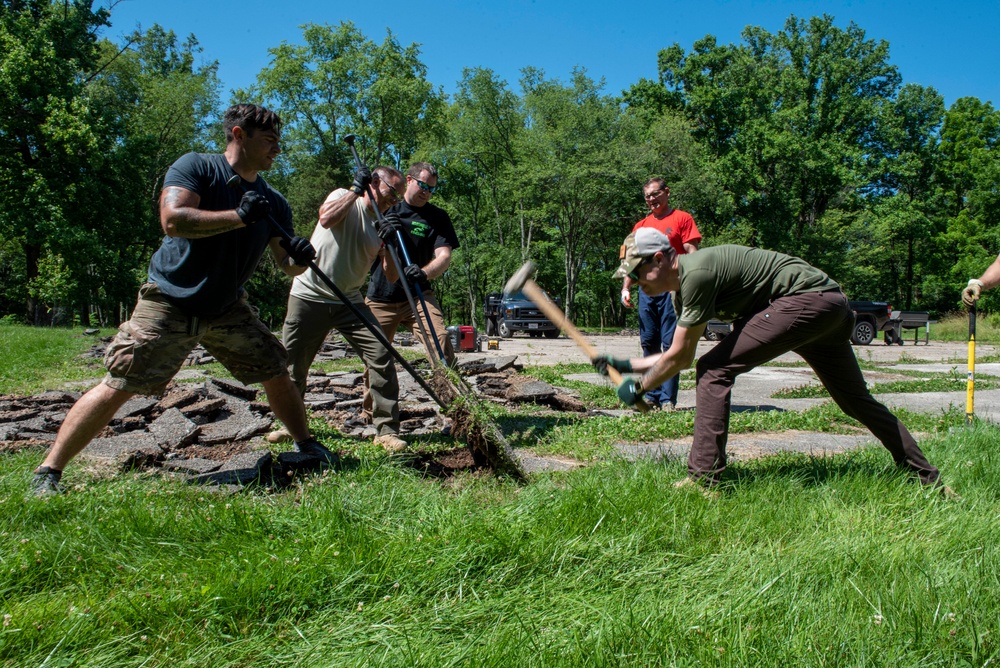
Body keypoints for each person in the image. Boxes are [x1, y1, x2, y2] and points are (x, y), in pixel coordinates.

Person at [31, 104, 332, 497]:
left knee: (275, 367)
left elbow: (286, 265)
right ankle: (49, 471)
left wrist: (302, 256)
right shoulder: (197, 167)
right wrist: (238, 216)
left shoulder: (273, 201)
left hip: (227, 306)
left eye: (279, 142)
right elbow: (173, 220)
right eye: (270, 141)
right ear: (239, 135)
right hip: (171, 299)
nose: (278, 149)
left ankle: (307, 445)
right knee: (122, 380)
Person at [594, 228, 949, 494]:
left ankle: (704, 480)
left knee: (714, 371)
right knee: (855, 401)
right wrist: (626, 364)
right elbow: (679, 355)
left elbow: (688, 362)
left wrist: (639, 387)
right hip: (830, 307)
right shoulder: (681, 293)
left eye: (637, 272)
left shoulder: (696, 273)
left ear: (660, 258)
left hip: (806, 301)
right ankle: (926, 477)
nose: (635, 282)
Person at [268, 166, 409, 452]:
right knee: (294, 364)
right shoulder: (344, 196)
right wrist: (357, 190)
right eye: (391, 192)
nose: (393, 201)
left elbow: (391, 275)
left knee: (381, 353)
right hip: (310, 294)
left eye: (398, 198)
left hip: (349, 300)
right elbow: (326, 218)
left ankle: (386, 431)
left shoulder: (383, 222)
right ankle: (289, 426)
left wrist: (391, 242)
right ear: (374, 183)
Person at [365, 162, 460, 367]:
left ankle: (452, 392)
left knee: (440, 339)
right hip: (382, 296)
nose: (427, 193)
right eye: (423, 186)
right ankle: (373, 399)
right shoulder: (387, 209)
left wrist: (423, 273)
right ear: (409, 180)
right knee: (375, 359)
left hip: (418, 293)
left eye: (431, 189)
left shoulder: (438, 218)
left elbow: (444, 256)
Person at [620, 178, 700, 410]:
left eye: (655, 194)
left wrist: (690, 284)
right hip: (647, 290)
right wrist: (626, 287)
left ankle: (667, 399)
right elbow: (631, 261)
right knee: (648, 342)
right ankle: (652, 395)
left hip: (672, 290)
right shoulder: (640, 225)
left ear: (667, 192)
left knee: (670, 343)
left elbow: (692, 252)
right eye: (647, 196)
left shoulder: (682, 219)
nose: (651, 200)